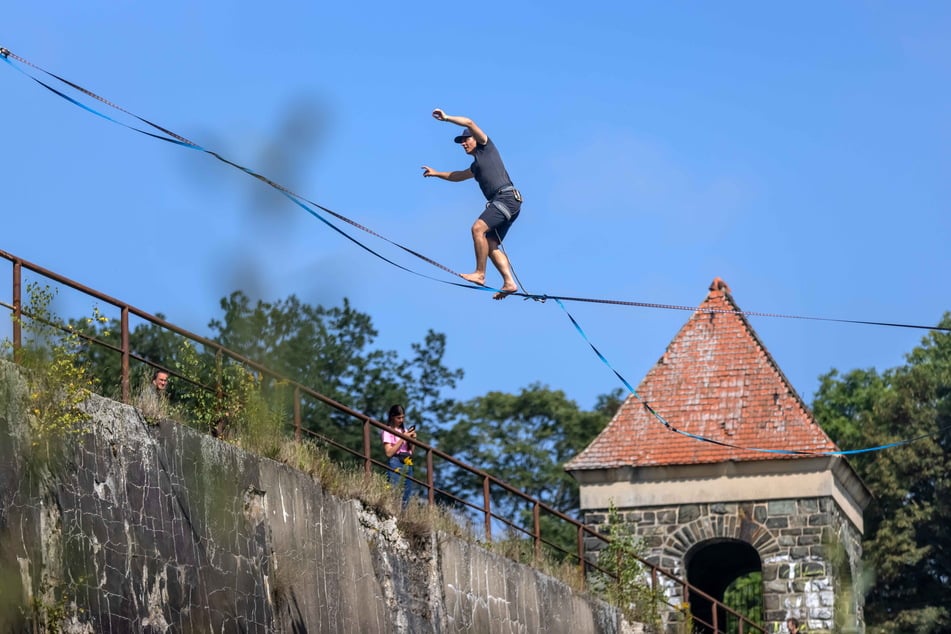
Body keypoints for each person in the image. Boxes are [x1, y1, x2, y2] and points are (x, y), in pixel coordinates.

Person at [422, 108, 522, 300]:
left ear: (476, 138)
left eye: (466, 140)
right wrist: (436, 173)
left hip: (506, 198)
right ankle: (509, 283)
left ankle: (480, 273)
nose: (463, 144)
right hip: (510, 202)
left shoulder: (486, 146)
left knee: (477, 229)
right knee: (490, 243)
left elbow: (468, 122)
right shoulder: (477, 165)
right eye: (461, 142)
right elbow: (458, 176)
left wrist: (447, 118)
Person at [381, 404, 418, 507]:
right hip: (396, 461)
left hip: (407, 462)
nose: (401, 420)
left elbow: (411, 451)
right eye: (398, 418)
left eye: (403, 417)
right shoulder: (387, 430)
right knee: (394, 490)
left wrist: (413, 439)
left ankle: (402, 517)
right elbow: (389, 453)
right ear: (392, 417)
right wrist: (402, 438)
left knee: (406, 494)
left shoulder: (405, 431)